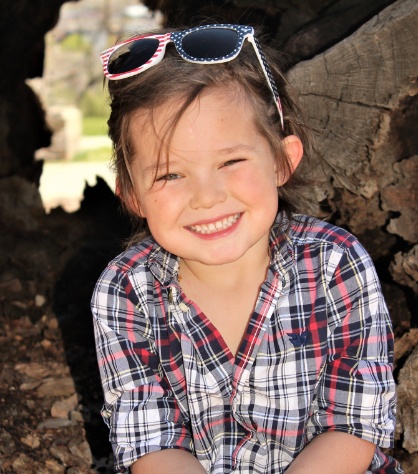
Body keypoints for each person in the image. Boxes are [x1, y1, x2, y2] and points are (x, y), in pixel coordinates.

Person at [91, 24, 402, 474]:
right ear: (131, 195)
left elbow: (354, 427)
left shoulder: (336, 263)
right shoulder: (125, 291)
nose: (207, 196)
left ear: (282, 160)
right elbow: (150, 444)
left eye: (230, 161)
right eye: (169, 175)